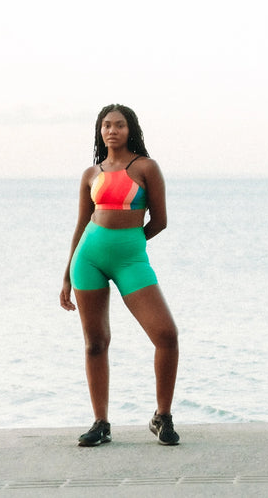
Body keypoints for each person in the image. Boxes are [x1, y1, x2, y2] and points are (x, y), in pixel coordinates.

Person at [59, 104, 180, 447]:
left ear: (131, 130)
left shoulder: (145, 168)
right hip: (89, 260)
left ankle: (162, 416)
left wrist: (130, 243)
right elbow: (82, 225)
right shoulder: (90, 174)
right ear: (100, 132)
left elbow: (159, 220)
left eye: (119, 125)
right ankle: (101, 423)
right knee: (95, 343)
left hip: (131, 261)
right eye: (106, 125)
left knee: (166, 334)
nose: (112, 130)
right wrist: (67, 274)